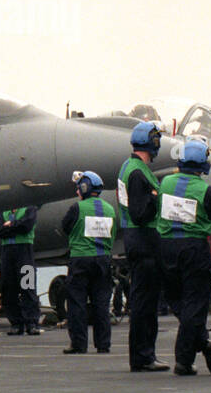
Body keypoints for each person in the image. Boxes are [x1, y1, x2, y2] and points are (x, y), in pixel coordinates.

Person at [156, 138, 211, 375]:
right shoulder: (207, 190)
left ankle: (203, 344)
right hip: (194, 249)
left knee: (177, 301)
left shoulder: (165, 183)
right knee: (194, 305)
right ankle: (184, 360)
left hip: (166, 248)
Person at [117, 121, 169, 371]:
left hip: (137, 240)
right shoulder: (138, 172)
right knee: (145, 302)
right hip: (144, 240)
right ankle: (143, 356)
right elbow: (140, 213)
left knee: (144, 299)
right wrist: (156, 198)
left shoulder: (132, 168)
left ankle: (144, 354)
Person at [59, 171, 117, 354]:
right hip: (103, 260)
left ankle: (79, 344)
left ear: (84, 188)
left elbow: (65, 227)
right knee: (101, 304)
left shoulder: (77, 208)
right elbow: (113, 235)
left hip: (81, 259)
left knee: (77, 303)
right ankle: (103, 344)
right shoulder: (109, 209)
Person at [0, 205, 42, 335]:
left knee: (27, 286)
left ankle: (32, 322)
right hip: (7, 252)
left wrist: (9, 226)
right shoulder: (3, 211)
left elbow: (26, 226)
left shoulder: (30, 208)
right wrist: (15, 226)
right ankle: (16, 323)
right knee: (8, 287)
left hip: (24, 250)